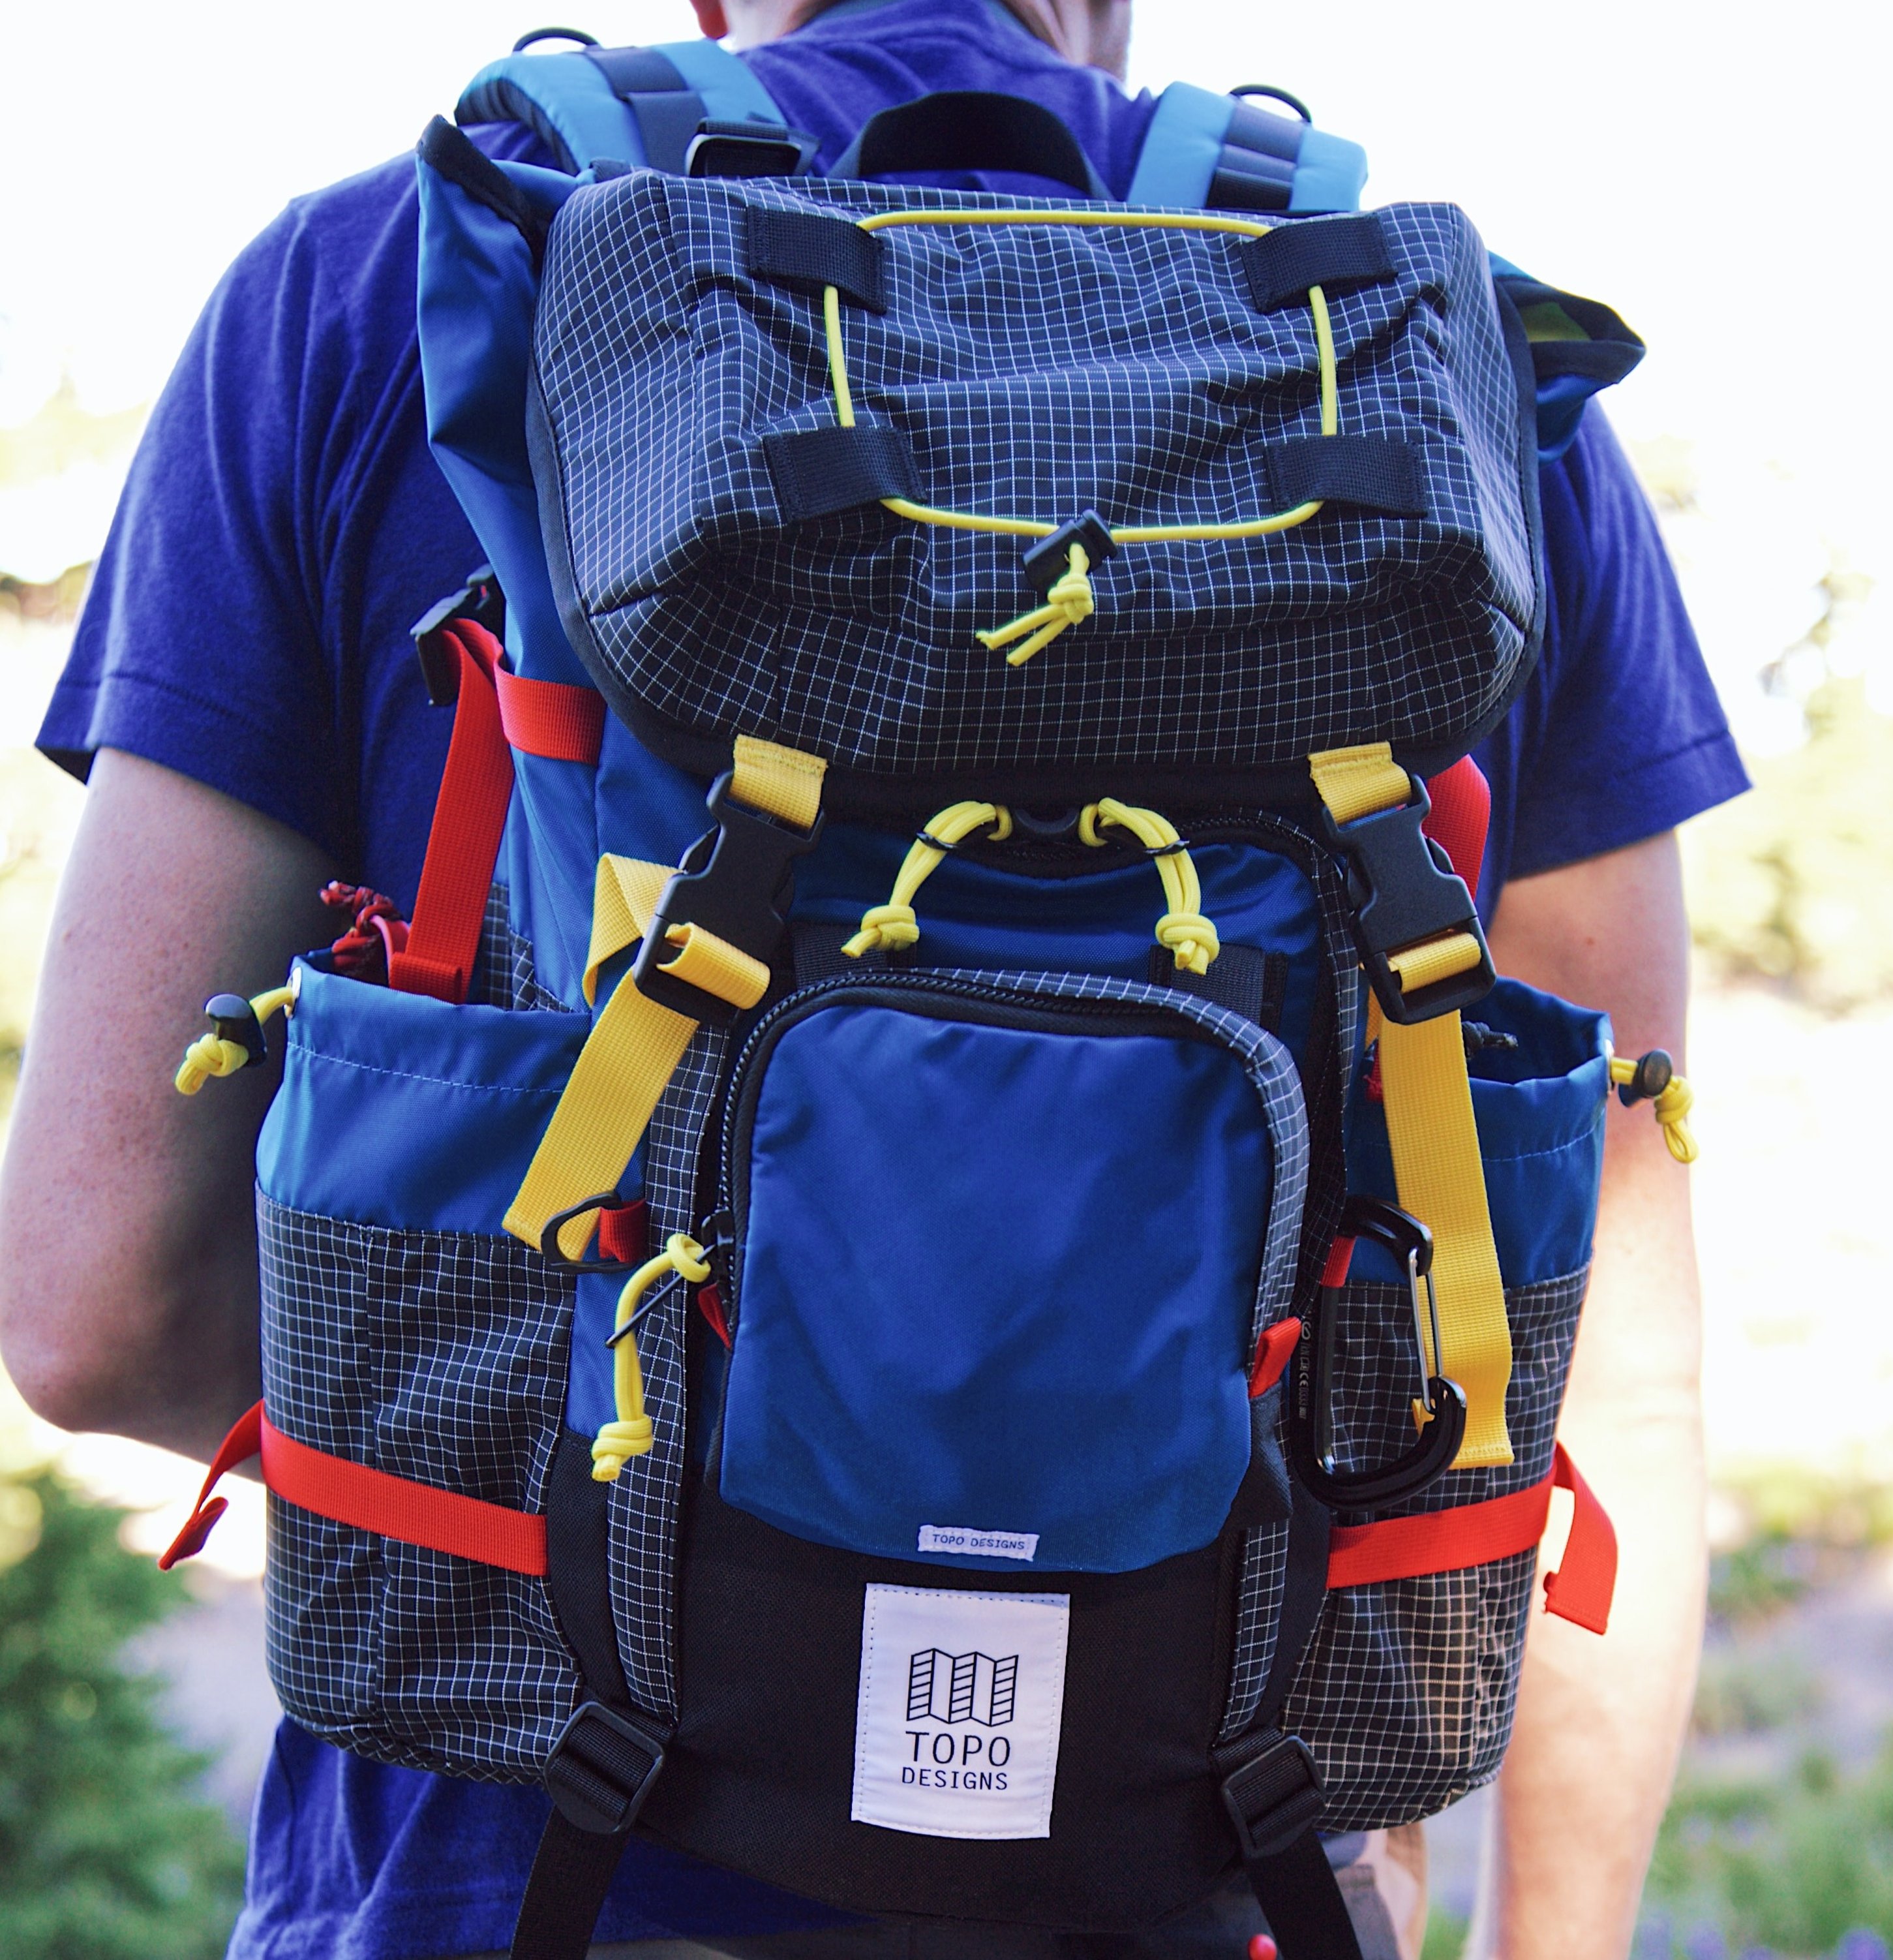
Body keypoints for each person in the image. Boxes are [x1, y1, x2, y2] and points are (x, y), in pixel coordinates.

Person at [0, 1, 1741, 1954]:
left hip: (509, 1880)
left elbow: (94, 1306)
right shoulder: (1430, 363)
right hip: (1222, 1859)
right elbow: (1609, 1381)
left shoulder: (386, 281)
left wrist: (664, 1475)